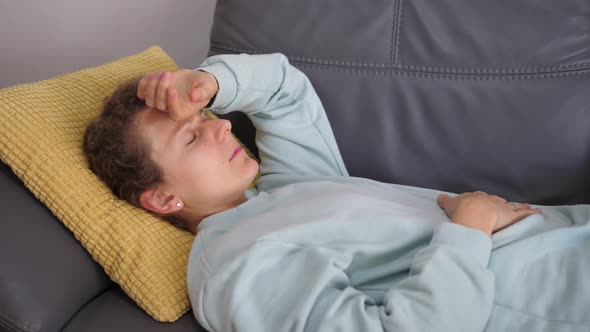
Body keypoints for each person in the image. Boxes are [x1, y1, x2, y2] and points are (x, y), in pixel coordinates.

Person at [84, 53, 590, 331]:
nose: (221, 129)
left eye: (207, 119)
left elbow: (284, 91)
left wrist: (208, 84)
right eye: (191, 136)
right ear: (162, 199)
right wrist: (469, 228)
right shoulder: (233, 264)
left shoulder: (285, 189)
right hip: (559, 289)